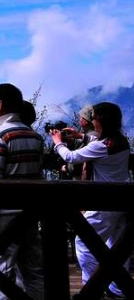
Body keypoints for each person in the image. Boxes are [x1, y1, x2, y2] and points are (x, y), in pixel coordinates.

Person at [51, 102, 132, 299]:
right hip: (123, 198)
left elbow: (71, 157)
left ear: (102, 121)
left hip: (104, 202)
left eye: (94, 118)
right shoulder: (121, 141)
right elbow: (97, 142)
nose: (92, 121)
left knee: (84, 243)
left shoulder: (101, 146)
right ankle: (118, 289)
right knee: (117, 246)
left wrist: (57, 142)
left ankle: (92, 287)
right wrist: (80, 136)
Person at [0, 83, 45, 300]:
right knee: (33, 268)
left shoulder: (0, 135)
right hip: (30, 211)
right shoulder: (34, 136)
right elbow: (38, 175)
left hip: (4, 214)